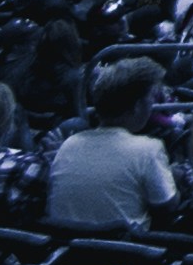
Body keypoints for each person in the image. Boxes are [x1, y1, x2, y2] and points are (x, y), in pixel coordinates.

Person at [45, 67, 178, 236]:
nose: (152, 104)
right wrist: (175, 182)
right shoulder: (149, 148)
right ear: (137, 106)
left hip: (65, 250)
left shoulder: (69, 143)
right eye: (150, 99)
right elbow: (167, 206)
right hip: (123, 254)